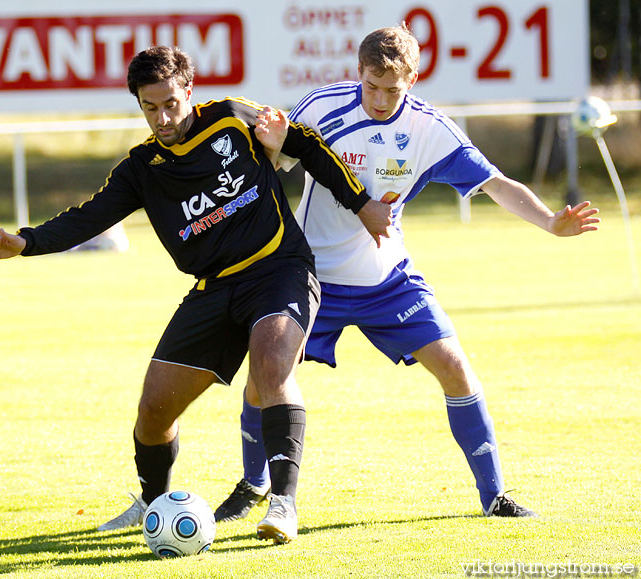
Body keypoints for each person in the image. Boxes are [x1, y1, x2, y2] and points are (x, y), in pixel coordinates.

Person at [0, 45, 391, 544]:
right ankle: (154, 507)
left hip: (279, 270)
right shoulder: (141, 168)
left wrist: (363, 203)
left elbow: (305, 145)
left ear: (189, 92)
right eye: (149, 107)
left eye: (170, 103)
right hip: (214, 289)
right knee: (154, 411)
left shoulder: (233, 120)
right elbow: (89, 216)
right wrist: (26, 242)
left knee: (271, 367)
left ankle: (283, 504)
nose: (162, 117)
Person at [214, 24, 600, 523]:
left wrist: (550, 221)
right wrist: (266, 146)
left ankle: (494, 495)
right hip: (309, 278)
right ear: (359, 73)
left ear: (413, 79)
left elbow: (496, 184)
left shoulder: (428, 129)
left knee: (456, 367)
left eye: (391, 90)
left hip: (388, 280)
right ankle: (254, 484)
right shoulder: (321, 107)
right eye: (371, 86)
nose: (378, 99)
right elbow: (271, 163)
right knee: (263, 379)